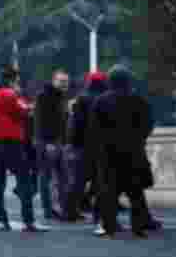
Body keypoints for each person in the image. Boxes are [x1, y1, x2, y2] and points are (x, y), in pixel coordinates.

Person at [88, 65, 154, 238]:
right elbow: (147, 124)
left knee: (109, 194)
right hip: (133, 153)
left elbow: (94, 128)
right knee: (136, 193)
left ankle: (109, 228)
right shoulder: (138, 100)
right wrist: (138, 139)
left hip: (109, 155)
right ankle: (138, 228)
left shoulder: (101, 101)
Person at [0, 66, 44, 232]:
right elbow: (22, 112)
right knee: (24, 181)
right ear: (13, 80)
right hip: (12, 144)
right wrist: (28, 107)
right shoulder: (11, 95)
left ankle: (2, 220)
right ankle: (28, 221)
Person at [64, 72, 109, 222]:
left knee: (78, 181)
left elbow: (75, 124)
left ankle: (70, 212)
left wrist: (72, 143)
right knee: (99, 182)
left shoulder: (81, 99)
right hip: (101, 145)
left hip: (82, 146)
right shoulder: (105, 99)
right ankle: (98, 214)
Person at [34, 69, 70, 220]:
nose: (64, 84)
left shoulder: (61, 97)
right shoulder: (44, 96)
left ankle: (60, 207)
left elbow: (61, 122)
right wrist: (47, 142)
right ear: (54, 81)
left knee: (62, 176)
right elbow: (41, 121)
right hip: (47, 141)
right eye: (61, 81)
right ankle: (48, 209)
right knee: (46, 176)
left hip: (58, 142)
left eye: (66, 82)